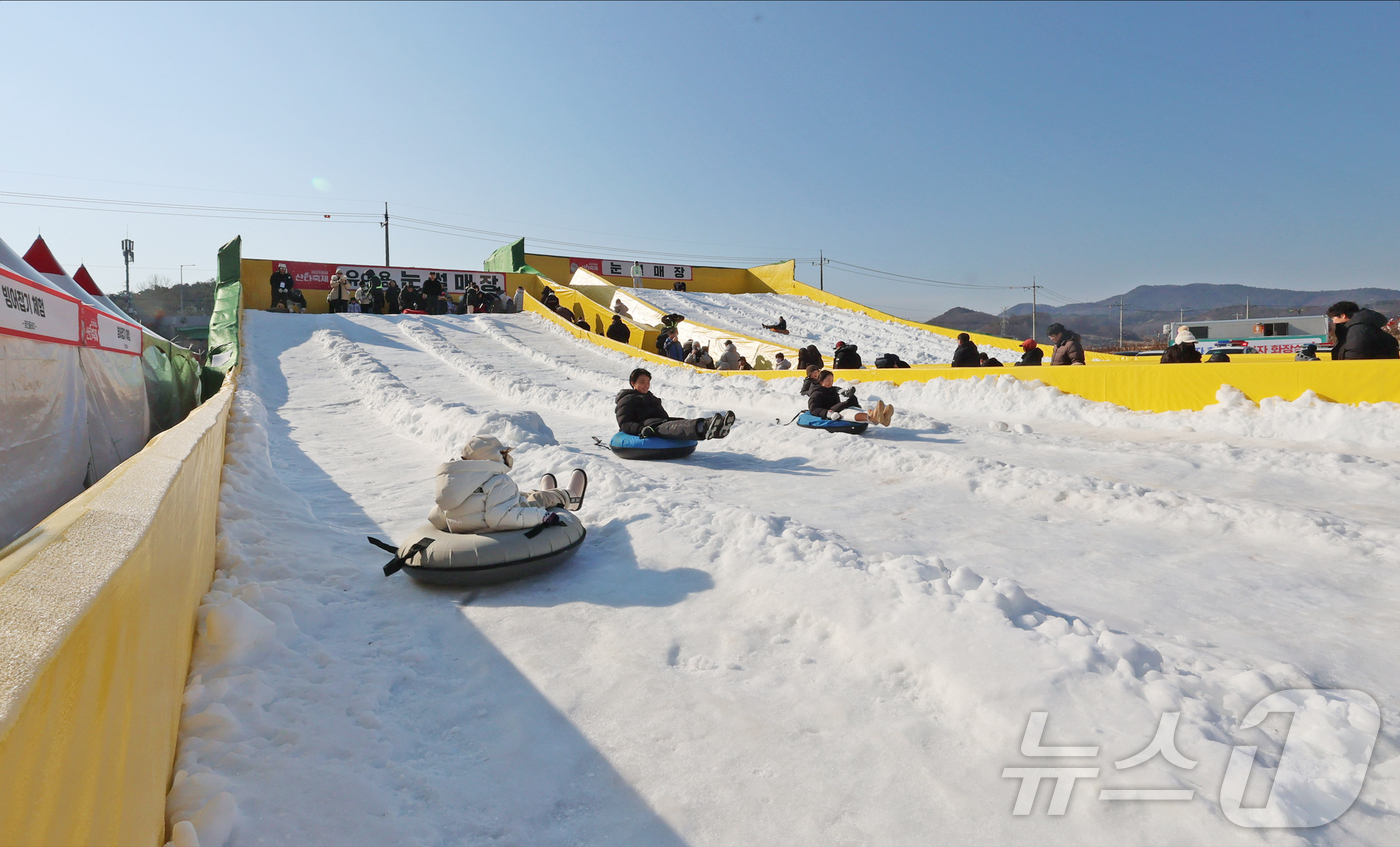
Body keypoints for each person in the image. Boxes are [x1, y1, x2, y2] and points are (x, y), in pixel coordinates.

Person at [428, 435, 585, 534]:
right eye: (503, 454)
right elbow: (500, 518)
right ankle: (570, 496)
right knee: (538, 498)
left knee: (520, 494)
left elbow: (437, 515)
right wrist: (541, 515)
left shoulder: (453, 482)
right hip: (490, 524)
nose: (506, 456)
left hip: (473, 521)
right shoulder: (500, 482)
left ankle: (549, 492)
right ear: (494, 457)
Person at [615, 368, 735, 440]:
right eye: (642, 382)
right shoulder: (627, 399)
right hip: (650, 427)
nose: (646, 385)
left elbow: (664, 416)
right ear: (633, 383)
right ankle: (705, 426)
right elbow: (624, 423)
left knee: (681, 422)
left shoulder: (651, 397)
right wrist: (641, 429)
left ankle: (716, 427)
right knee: (676, 427)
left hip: (661, 422)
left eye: (648, 382)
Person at [807, 370, 894, 426]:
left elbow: (842, 394)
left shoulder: (832, 390)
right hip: (831, 413)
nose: (831, 383)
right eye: (828, 381)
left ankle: (882, 418)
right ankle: (875, 416)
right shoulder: (817, 393)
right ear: (821, 381)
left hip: (838, 409)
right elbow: (813, 409)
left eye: (832, 381)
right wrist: (826, 413)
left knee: (851, 404)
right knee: (846, 412)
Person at [1328, 301, 1399, 360]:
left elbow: (1355, 355)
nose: (1334, 322)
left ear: (1343, 316)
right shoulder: (1366, 327)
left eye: (1333, 318)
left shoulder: (1357, 330)